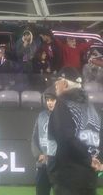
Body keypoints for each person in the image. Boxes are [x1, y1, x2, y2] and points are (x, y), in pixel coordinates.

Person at [48, 66, 102, 195]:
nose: (55, 85)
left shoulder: (63, 103)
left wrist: (87, 159)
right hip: (90, 176)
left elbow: (66, 138)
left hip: (69, 177)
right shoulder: (92, 108)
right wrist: (96, 160)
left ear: (65, 83)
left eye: (58, 82)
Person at [33, 88, 58, 195]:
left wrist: (53, 156)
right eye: (48, 100)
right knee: (41, 192)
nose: (49, 103)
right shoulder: (41, 116)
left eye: (52, 100)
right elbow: (34, 138)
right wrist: (38, 154)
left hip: (58, 165)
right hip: (42, 165)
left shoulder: (64, 117)